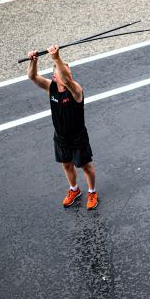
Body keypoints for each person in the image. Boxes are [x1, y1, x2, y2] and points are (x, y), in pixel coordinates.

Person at [27, 46, 98, 210]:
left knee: (85, 166)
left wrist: (56, 58)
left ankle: (92, 191)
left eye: (69, 72)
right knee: (66, 165)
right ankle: (74, 189)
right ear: (54, 76)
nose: (69, 76)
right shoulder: (50, 87)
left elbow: (66, 80)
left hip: (78, 137)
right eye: (63, 72)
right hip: (60, 137)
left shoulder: (75, 90)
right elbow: (32, 76)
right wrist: (33, 61)